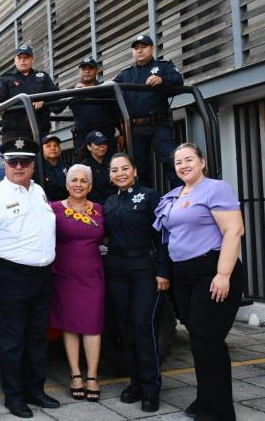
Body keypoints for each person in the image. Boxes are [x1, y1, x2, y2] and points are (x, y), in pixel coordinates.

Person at [0, 137, 59, 418]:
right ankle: (14, 397)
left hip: (42, 277)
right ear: (5, 164)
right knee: (12, 342)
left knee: (37, 339)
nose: (18, 166)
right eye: (12, 161)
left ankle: (35, 390)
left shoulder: (40, 192)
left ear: (33, 164)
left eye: (25, 161)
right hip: (11, 276)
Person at [153, 143, 244, 421]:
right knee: (198, 341)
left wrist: (223, 274)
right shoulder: (175, 195)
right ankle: (206, 398)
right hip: (184, 275)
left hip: (211, 271)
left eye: (189, 159)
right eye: (178, 161)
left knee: (208, 340)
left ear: (202, 162)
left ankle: (219, 411)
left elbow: (234, 230)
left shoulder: (215, 188)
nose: (183, 165)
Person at [104, 152, 171, 413]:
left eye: (124, 168)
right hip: (117, 269)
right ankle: (135, 383)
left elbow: (164, 235)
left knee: (143, 325)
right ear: (109, 175)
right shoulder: (108, 202)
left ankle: (151, 387)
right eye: (114, 170)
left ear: (134, 171)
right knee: (126, 328)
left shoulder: (150, 196)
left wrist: (163, 272)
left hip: (144, 268)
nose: (119, 173)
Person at [48, 164, 105, 403]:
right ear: (67, 183)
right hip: (64, 275)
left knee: (93, 326)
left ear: (90, 186)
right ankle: (76, 375)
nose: (79, 184)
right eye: (74, 180)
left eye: (84, 181)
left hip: (92, 275)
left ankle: (92, 376)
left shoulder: (100, 210)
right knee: (69, 325)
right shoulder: (52, 209)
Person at [113, 35, 183, 188]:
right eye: (136, 48)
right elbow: (108, 90)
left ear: (152, 49)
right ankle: (144, 204)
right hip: (135, 128)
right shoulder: (126, 73)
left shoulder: (163, 66)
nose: (139, 51)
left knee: (172, 160)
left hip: (159, 124)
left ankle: (183, 197)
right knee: (139, 169)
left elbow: (178, 79)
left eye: (143, 47)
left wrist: (162, 80)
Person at [0, 45, 59, 143]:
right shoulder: (6, 79)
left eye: (26, 58)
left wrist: (44, 100)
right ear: (15, 60)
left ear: (32, 60)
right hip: (14, 133)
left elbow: (58, 101)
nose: (23, 60)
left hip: (40, 133)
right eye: (20, 58)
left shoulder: (43, 77)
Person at [65, 57, 119, 153]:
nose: (87, 71)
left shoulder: (105, 89)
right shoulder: (73, 90)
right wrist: (73, 91)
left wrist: (123, 133)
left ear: (96, 70)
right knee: (82, 167)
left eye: (90, 68)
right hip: (82, 139)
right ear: (79, 71)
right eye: (83, 69)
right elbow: (55, 108)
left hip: (105, 138)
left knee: (108, 167)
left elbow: (117, 113)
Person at [75, 130, 115, 205]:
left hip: (115, 203)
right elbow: (89, 193)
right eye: (98, 144)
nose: (102, 147)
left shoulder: (111, 163)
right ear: (89, 147)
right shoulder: (84, 167)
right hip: (97, 206)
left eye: (104, 143)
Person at [40, 134, 69, 201]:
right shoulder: (38, 169)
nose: (53, 148)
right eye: (48, 146)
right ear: (41, 150)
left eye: (55, 145)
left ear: (60, 150)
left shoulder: (68, 167)